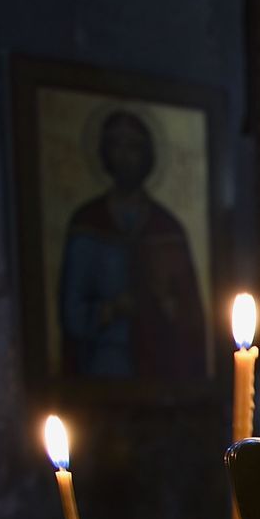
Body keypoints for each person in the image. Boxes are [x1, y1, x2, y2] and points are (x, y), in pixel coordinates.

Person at [58, 110, 207, 380]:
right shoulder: (87, 223)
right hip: (105, 364)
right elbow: (72, 314)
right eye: (116, 145)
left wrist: (165, 303)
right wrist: (111, 310)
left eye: (133, 147)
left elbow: (191, 317)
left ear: (147, 156)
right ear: (104, 153)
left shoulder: (167, 228)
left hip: (161, 366)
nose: (124, 157)